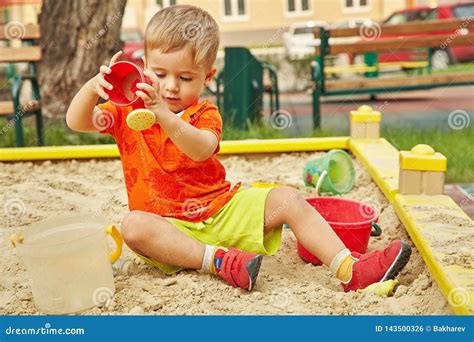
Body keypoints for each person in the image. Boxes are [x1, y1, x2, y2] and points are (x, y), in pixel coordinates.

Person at [66, 4, 411, 292]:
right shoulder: (128, 111)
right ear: (144, 69)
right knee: (133, 226)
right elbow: (77, 122)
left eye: (185, 78)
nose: (171, 86)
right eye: (160, 73)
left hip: (221, 209)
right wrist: (92, 88)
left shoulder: (204, 113)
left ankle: (349, 268)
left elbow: (200, 149)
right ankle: (218, 261)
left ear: (208, 76)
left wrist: (163, 116)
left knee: (288, 199)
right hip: (171, 231)